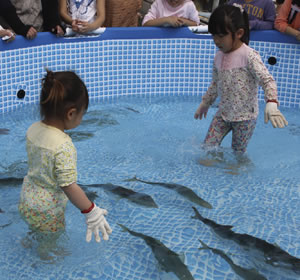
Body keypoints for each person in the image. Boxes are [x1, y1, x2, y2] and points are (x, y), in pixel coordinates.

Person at [19, 70, 112, 257]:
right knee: (51, 237)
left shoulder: (33, 129)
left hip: (27, 197)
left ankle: (29, 239)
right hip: (48, 208)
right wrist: (90, 210)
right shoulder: (63, 145)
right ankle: (46, 256)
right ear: (71, 113)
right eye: (82, 114)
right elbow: (68, 186)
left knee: (35, 225)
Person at [194, 4, 288, 156]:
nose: (216, 41)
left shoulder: (249, 56)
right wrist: (205, 103)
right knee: (208, 148)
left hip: (245, 118)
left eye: (221, 35)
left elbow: (267, 80)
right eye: (214, 36)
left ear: (239, 33)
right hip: (222, 114)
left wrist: (271, 102)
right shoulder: (218, 56)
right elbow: (216, 83)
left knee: (238, 154)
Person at [0, 0, 64, 39]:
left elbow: (51, 4)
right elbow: (5, 7)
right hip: (13, 34)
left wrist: (55, 24)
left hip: (41, 32)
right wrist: (21, 28)